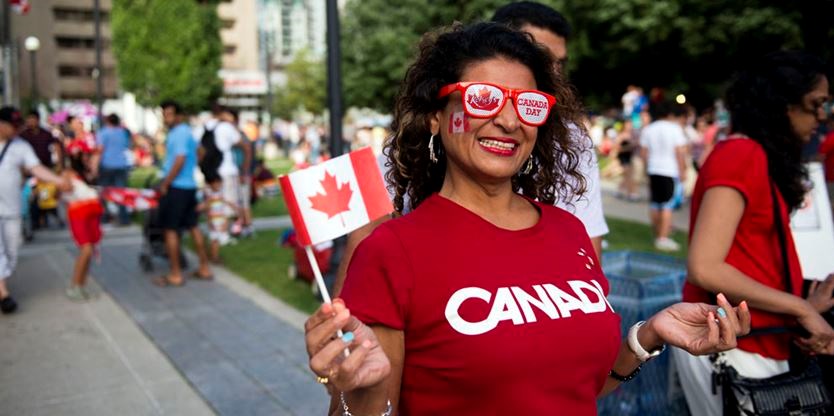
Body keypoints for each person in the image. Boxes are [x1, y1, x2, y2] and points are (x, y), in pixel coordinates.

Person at [304, 22, 749, 415]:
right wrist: (363, 392)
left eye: (528, 104)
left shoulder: (567, 230)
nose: (508, 120)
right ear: (437, 117)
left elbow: (582, 386)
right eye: (483, 99)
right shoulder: (392, 250)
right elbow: (366, 407)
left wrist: (649, 334)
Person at [331, 0, 609, 297]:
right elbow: (357, 289)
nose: (509, 121)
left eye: (558, 63)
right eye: (485, 97)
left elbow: (590, 278)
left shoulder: (572, 160)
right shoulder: (395, 238)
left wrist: (640, 340)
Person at [676, 51, 834, 416]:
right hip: (735, 348)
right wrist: (800, 308)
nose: (822, 117)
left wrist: (807, 301)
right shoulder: (742, 154)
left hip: (751, 343)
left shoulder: (753, 155)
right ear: (781, 104)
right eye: (816, 104)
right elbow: (705, 267)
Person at [0, 106, 71, 314]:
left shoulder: (20, 146)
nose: (16, 129)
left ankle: (3, 283)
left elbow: (36, 168)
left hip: (12, 208)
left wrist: (58, 181)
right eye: (12, 126)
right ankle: (4, 294)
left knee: (12, 250)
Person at [154, 100, 212, 286]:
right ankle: (204, 267)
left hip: (177, 188)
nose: (167, 118)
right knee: (193, 226)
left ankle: (176, 274)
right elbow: (200, 151)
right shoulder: (187, 131)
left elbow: (180, 159)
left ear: (179, 115)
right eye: (165, 115)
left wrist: (166, 183)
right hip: (189, 186)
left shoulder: (178, 133)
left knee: (171, 230)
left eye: (170, 114)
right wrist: (191, 167)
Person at [639, 100, 689, 252]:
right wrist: (682, 170)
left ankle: (657, 233)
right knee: (667, 205)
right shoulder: (675, 129)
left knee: (655, 203)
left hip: (654, 169)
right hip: (669, 170)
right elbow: (679, 152)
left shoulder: (649, 129)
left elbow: (644, 153)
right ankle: (663, 238)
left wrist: (648, 167)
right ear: (670, 113)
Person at [194, 104, 251, 228]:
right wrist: (245, 169)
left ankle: (216, 232)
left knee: (213, 203)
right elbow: (245, 146)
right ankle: (229, 231)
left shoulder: (202, 127)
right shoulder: (226, 127)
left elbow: (199, 151)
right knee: (230, 205)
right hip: (227, 170)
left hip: (210, 172)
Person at [63, 147, 104, 302]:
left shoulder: (88, 173)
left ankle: (81, 285)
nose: (87, 157)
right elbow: (61, 190)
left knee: (90, 250)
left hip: (91, 215)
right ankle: (74, 286)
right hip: (79, 215)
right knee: (86, 249)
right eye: (84, 155)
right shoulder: (68, 173)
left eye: (89, 155)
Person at [20, 110, 63, 229]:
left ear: (38, 120)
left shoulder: (46, 134)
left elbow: (56, 146)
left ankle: (46, 217)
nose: (30, 122)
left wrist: (59, 164)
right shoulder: (23, 135)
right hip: (29, 172)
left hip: (45, 169)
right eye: (28, 119)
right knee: (33, 196)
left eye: (32, 119)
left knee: (47, 194)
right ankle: (36, 220)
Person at [93, 113, 133, 225]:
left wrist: (94, 166)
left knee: (104, 192)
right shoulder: (123, 132)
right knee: (121, 192)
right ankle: (124, 218)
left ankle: (104, 216)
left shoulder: (103, 132)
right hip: (121, 164)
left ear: (108, 121)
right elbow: (127, 146)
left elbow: (100, 150)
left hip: (107, 165)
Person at [197, 172, 240, 264]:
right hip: (213, 221)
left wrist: (234, 207)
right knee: (215, 240)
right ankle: (214, 257)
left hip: (220, 220)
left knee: (216, 240)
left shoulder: (219, 194)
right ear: (210, 184)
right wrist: (201, 209)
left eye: (219, 183)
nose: (218, 185)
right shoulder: (210, 196)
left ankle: (213, 255)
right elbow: (206, 207)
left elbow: (226, 202)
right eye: (216, 183)